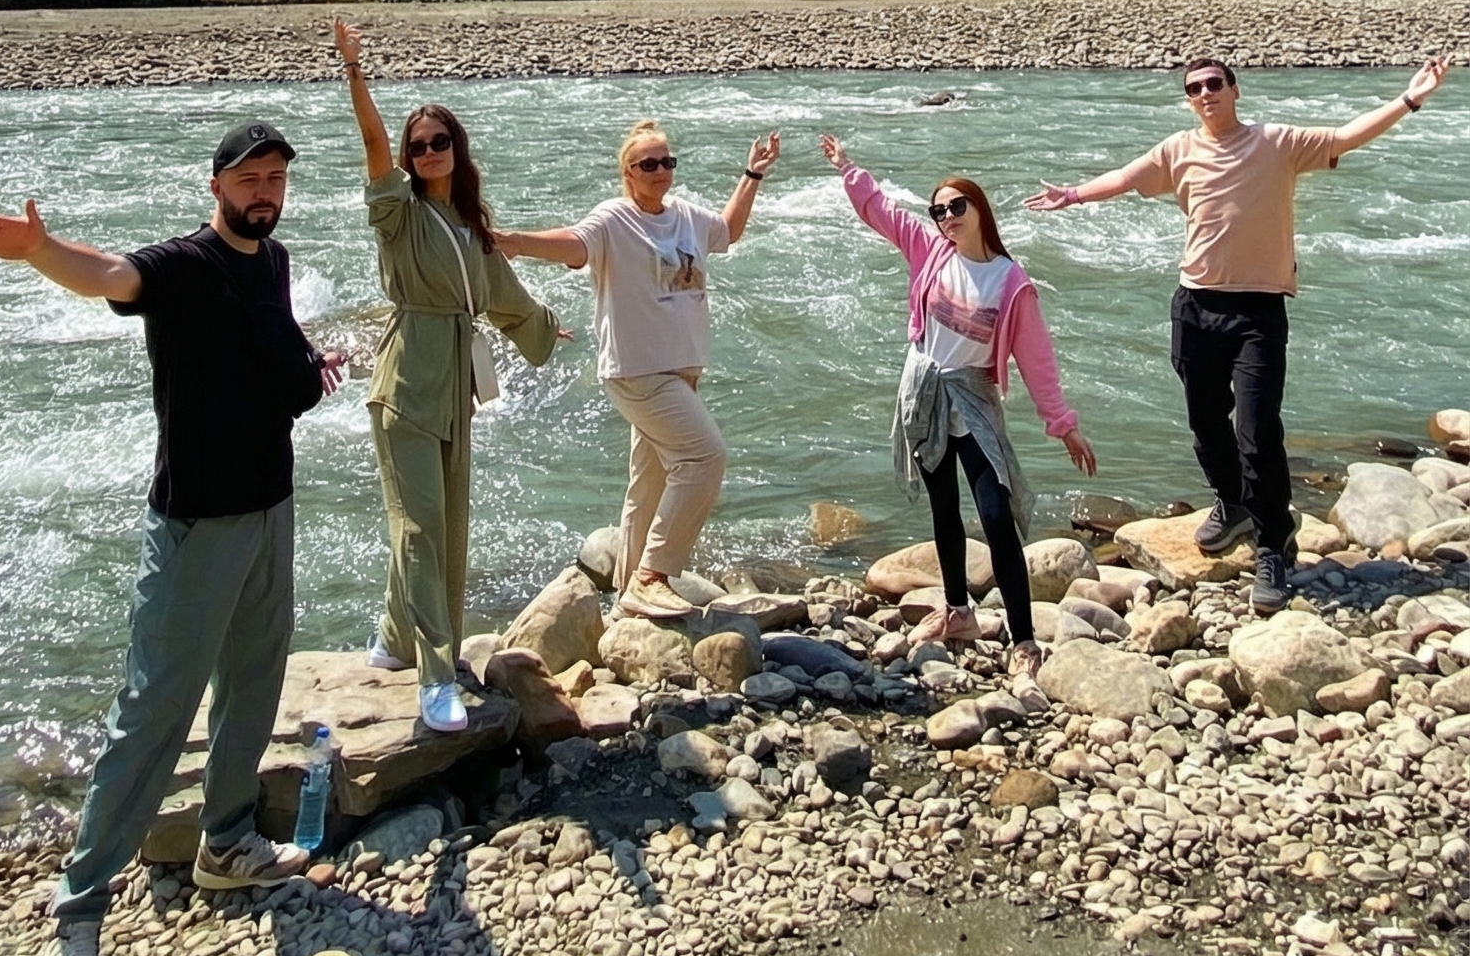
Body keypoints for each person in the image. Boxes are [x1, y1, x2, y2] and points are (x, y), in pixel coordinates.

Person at [0, 120, 343, 956]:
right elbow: (112, 276)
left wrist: (313, 363)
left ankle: (226, 843)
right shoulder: (181, 264)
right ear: (215, 185)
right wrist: (41, 249)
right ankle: (79, 912)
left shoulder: (273, 262)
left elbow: (271, 354)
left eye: (277, 178)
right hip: (193, 526)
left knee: (254, 683)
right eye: (251, 177)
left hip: (269, 509)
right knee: (154, 712)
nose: (265, 191)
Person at [1026, 53, 1453, 616]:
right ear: (1188, 99)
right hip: (1195, 306)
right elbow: (1128, 177)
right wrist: (1073, 195)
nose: (1204, 94)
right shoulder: (1179, 150)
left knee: (1256, 429)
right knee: (1206, 423)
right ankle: (1233, 505)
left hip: (1258, 311)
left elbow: (1348, 136)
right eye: (1194, 88)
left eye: (1213, 84)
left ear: (1235, 90)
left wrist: (1410, 97)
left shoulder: (1277, 142)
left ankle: (1274, 543)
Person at [334, 19, 568, 733]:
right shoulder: (397, 214)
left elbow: (504, 299)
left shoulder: (471, 226)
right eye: (418, 146)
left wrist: (543, 326)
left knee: (448, 526)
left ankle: (396, 638)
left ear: (456, 151)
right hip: (405, 383)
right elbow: (372, 146)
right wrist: (353, 72)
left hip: (456, 390)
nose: (428, 152)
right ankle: (436, 677)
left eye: (440, 143)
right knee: (418, 528)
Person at [821, 134, 1096, 713]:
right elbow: (883, 213)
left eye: (956, 207)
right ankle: (958, 612)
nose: (945, 217)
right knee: (943, 507)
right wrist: (849, 170)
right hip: (923, 389)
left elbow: (1036, 360)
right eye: (938, 209)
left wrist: (1063, 424)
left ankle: (1023, 641)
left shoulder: (1010, 282)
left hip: (972, 397)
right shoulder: (929, 250)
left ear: (979, 211)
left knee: (996, 514)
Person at [501, 118, 781, 620]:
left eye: (667, 162)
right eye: (648, 164)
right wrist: (517, 241)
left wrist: (751, 176)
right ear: (627, 172)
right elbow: (574, 244)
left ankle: (628, 597)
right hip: (638, 372)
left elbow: (728, 231)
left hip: (682, 372)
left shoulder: (686, 215)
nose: (660, 171)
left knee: (648, 483)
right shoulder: (614, 218)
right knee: (705, 459)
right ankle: (654, 574)